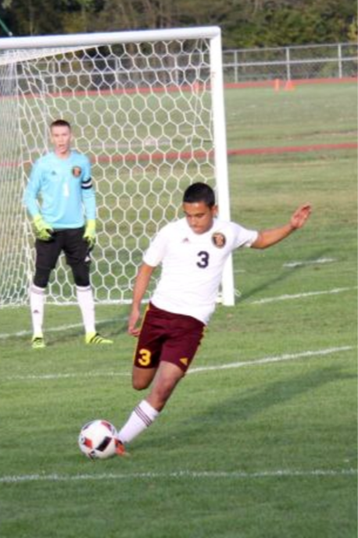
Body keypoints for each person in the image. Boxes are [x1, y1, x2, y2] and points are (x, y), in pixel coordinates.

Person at [117, 182, 312, 449]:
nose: (194, 222)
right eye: (188, 215)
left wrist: (290, 226)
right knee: (140, 383)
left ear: (214, 210)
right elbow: (146, 268)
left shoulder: (228, 232)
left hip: (191, 325)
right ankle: (162, 358)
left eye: (199, 215)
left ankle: (118, 441)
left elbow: (261, 239)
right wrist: (135, 308)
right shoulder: (170, 233)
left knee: (163, 388)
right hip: (159, 315)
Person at [23, 119, 109, 349]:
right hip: (50, 231)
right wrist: (38, 220)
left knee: (83, 279)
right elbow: (29, 195)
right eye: (57, 135)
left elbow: (88, 193)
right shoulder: (42, 164)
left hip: (76, 230)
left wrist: (91, 224)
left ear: (71, 136)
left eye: (65, 135)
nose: (61, 140)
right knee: (41, 279)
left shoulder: (81, 162)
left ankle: (91, 332)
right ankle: (38, 333)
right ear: (51, 138)